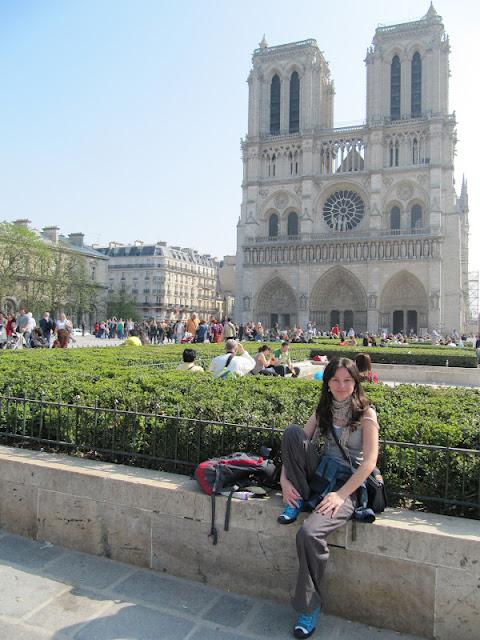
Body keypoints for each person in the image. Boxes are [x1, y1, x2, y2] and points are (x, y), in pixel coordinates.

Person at [278, 358, 379, 638]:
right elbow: (298, 444)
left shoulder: (367, 414)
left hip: (348, 484)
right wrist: (284, 479)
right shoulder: (323, 409)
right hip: (323, 475)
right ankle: (295, 498)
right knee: (292, 433)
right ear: (327, 383)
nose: (342, 386)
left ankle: (309, 606)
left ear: (356, 382)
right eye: (335, 380)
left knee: (309, 534)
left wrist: (340, 495)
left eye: (347, 380)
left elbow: (369, 464)